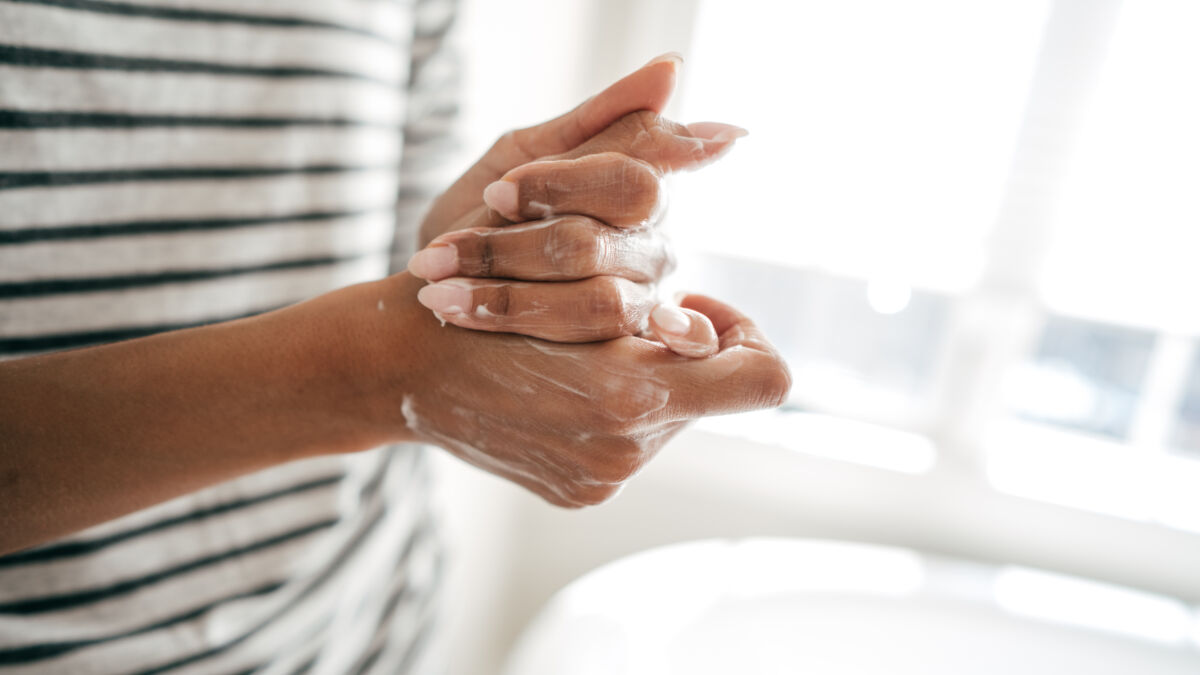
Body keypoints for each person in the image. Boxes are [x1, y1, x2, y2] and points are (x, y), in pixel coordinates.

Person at [0, 1, 791, 672]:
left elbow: (408, 283)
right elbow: (386, 355)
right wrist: (378, 379)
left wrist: (519, 269)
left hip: (380, 631)